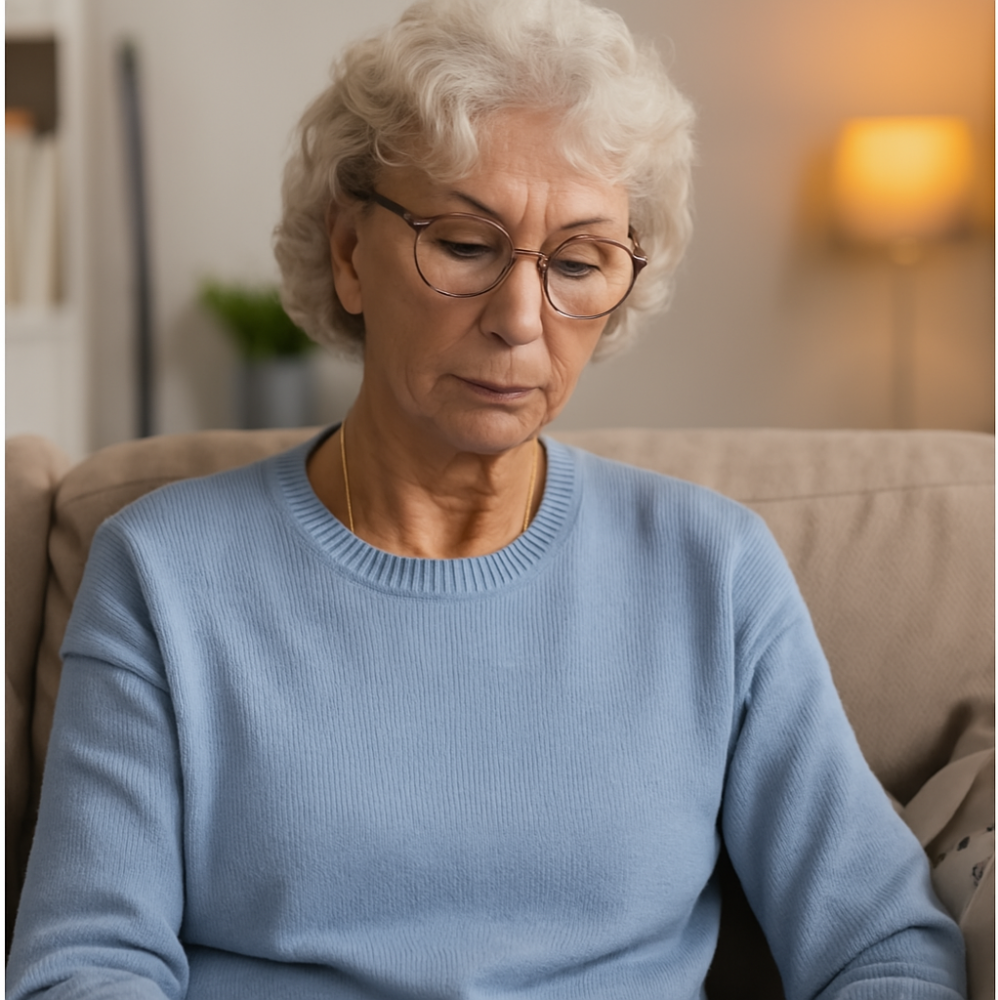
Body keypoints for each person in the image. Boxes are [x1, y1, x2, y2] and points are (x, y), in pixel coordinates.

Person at [6, 0, 967, 997]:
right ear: (348, 252)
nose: (519, 319)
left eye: (577, 262)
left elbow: (883, 947)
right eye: (464, 245)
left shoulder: (711, 570)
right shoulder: (161, 570)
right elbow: (85, 967)